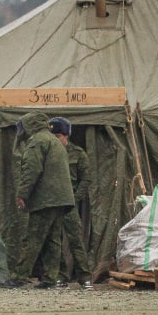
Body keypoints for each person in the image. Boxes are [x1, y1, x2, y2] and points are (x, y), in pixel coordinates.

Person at [12, 110, 76, 289]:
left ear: (30, 124)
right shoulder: (54, 141)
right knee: (52, 240)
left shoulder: (37, 141)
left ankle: (19, 276)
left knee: (33, 238)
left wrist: (22, 193)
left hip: (46, 199)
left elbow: (31, 170)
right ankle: (50, 278)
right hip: (61, 199)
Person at [50, 117, 93, 289]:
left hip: (69, 203)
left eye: (58, 135)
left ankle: (85, 277)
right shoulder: (47, 153)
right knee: (55, 240)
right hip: (52, 203)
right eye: (52, 135)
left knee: (75, 241)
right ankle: (61, 275)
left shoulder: (77, 153)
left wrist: (75, 198)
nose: (55, 139)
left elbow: (86, 178)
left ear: (66, 135)